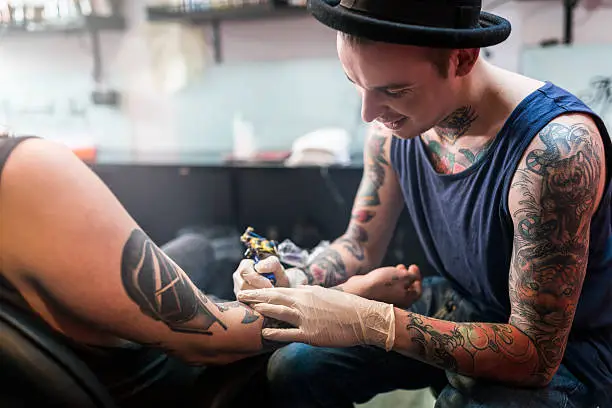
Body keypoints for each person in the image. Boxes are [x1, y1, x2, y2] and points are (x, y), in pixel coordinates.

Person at [232, 0, 612, 406]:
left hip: (571, 350)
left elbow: (534, 356)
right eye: (355, 83)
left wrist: (372, 321)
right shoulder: (390, 129)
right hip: (466, 303)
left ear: (462, 58)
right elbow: (359, 246)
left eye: (393, 91)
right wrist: (295, 279)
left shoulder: (556, 151)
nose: (368, 113)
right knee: (295, 366)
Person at [0, 134, 416, 406]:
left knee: (202, 243)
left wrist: (303, 279)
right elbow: (210, 338)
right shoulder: (27, 170)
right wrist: (353, 297)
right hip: (157, 380)